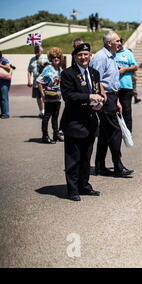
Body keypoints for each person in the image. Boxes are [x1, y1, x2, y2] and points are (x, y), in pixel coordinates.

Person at [60, 43, 104, 201]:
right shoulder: (67, 74)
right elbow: (69, 96)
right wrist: (88, 97)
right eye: (80, 55)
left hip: (90, 121)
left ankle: (84, 185)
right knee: (73, 158)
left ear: (90, 56)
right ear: (74, 57)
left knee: (86, 157)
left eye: (86, 54)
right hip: (74, 122)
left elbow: (97, 92)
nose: (83, 57)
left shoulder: (94, 73)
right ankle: (72, 189)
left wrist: (99, 104)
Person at [90, 31, 134, 178]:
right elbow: (96, 79)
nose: (120, 43)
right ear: (109, 43)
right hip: (105, 97)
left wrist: (117, 100)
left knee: (104, 133)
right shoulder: (100, 57)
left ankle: (100, 166)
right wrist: (104, 97)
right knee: (115, 132)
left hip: (112, 97)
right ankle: (118, 166)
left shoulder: (111, 57)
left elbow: (112, 81)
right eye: (117, 41)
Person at [36, 47, 64, 144]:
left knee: (55, 116)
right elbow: (39, 81)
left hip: (57, 97)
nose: (56, 59)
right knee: (47, 116)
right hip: (49, 97)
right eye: (54, 57)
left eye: (58, 57)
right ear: (51, 58)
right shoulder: (48, 68)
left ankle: (56, 134)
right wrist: (43, 94)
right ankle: (45, 136)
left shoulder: (59, 69)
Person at [115, 38, 138, 132]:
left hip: (126, 86)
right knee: (114, 110)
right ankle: (117, 130)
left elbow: (135, 66)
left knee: (127, 110)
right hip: (114, 87)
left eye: (120, 42)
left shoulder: (128, 53)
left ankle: (128, 131)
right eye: (117, 42)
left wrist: (125, 69)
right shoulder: (111, 53)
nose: (119, 44)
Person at [28, 45, 49, 118]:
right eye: (35, 51)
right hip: (35, 81)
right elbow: (29, 70)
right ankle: (41, 111)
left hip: (44, 80)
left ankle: (47, 111)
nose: (36, 52)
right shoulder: (32, 59)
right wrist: (29, 80)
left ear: (41, 51)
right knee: (38, 97)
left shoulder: (46, 57)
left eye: (38, 51)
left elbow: (49, 68)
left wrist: (42, 64)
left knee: (45, 96)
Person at [0, 51, 12, 119]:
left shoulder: (4, 60)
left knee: (4, 97)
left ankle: (6, 113)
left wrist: (0, 65)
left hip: (4, 82)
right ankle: (2, 113)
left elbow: (8, 67)